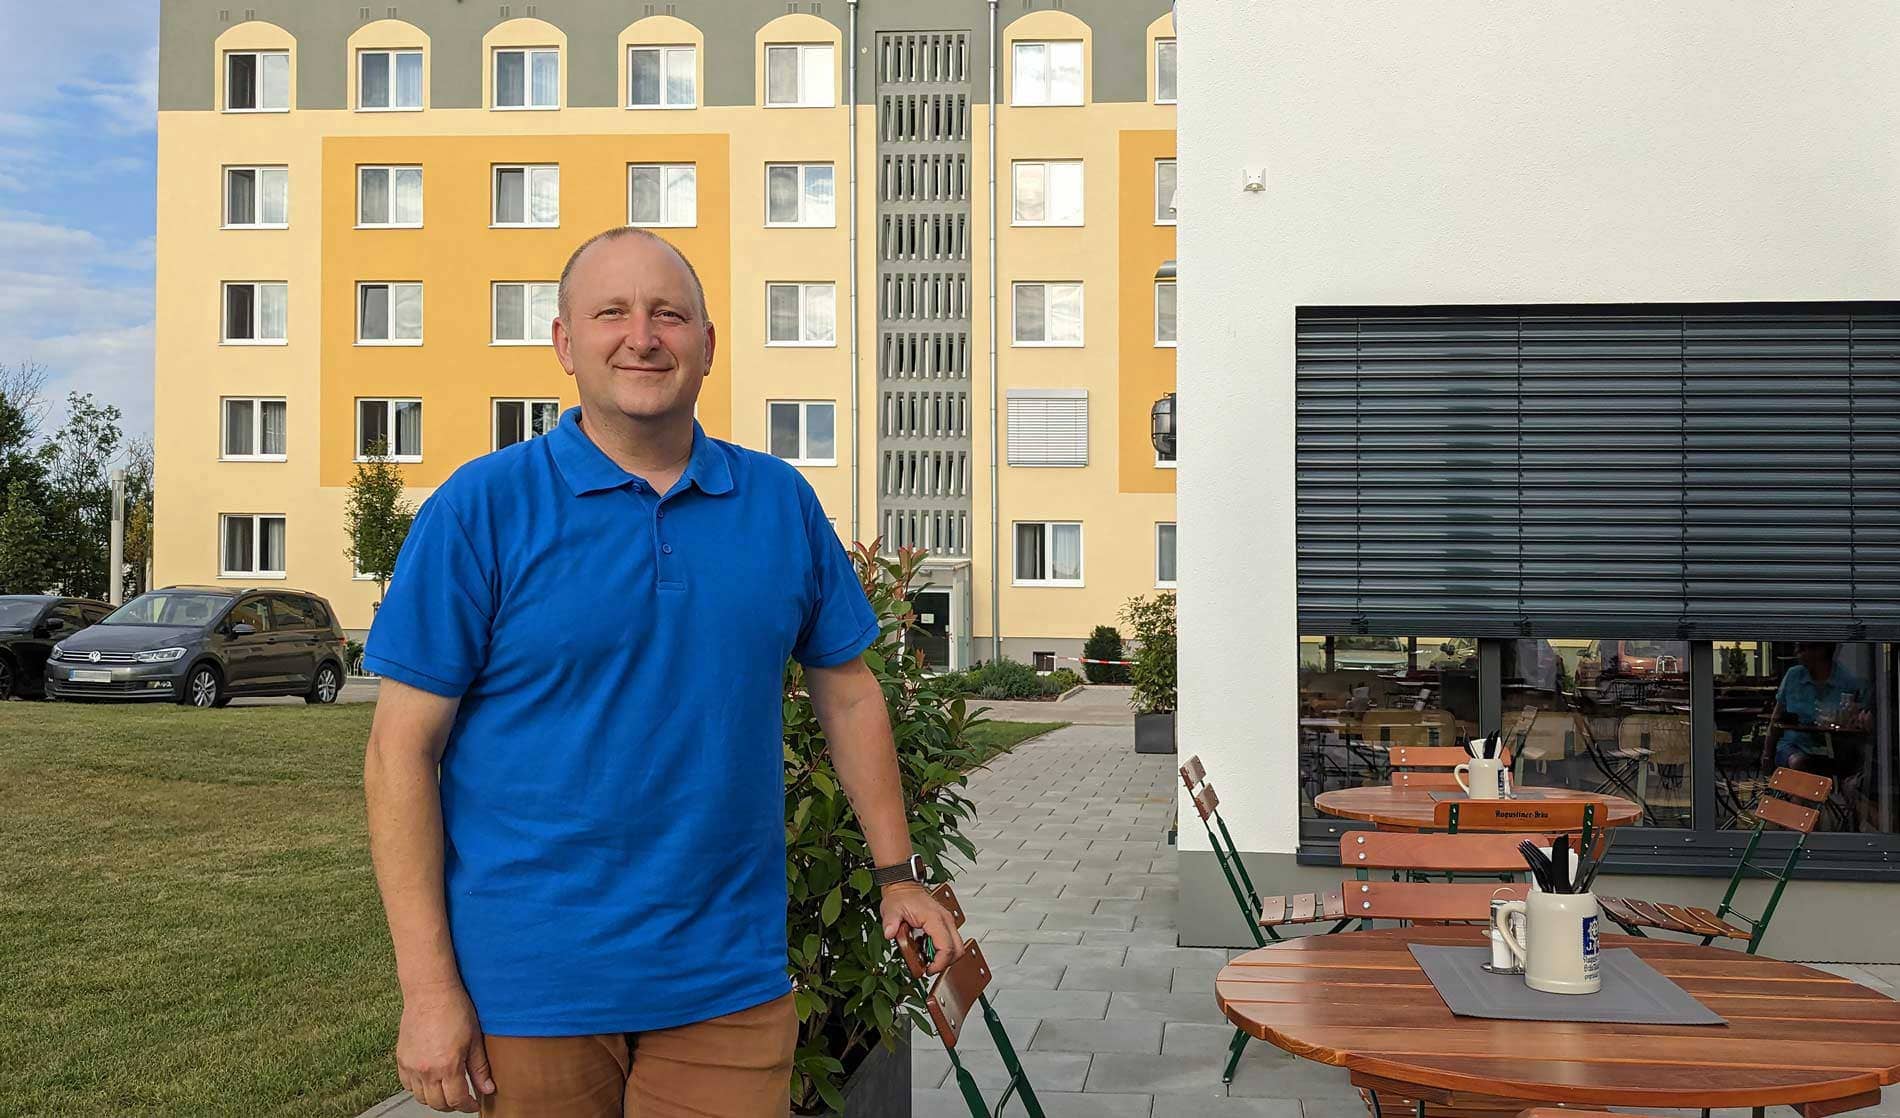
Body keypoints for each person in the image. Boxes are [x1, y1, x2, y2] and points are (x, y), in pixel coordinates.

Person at [361, 227, 965, 1118]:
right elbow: (397, 756)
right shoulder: (480, 510)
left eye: (668, 314)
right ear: (565, 343)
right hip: (531, 988)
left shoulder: (779, 503)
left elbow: (848, 690)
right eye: (611, 312)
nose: (641, 336)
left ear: (708, 346)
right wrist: (427, 990)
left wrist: (896, 874)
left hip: (726, 980)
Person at [1762, 641, 1869, 775]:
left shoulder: (1847, 681)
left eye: (1801, 648)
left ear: (1821, 651)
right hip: (1794, 745)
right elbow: (1776, 718)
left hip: (1835, 749)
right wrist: (1767, 754)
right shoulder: (1793, 676)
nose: (1796, 653)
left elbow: (1858, 722)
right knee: (1799, 763)